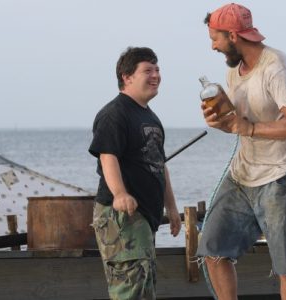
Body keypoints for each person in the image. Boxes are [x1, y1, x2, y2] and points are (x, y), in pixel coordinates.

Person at [196, 3, 286, 300]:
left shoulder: (277, 68)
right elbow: (239, 123)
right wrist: (223, 123)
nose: (213, 46)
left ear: (233, 35)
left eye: (215, 38)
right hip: (242, 174)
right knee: (212, 250)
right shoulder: (234, 73)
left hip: (278, 177)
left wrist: (246, 128)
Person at [88, 46, 181, 300]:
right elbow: (108, 155)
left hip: (144, 218)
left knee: (144, 287)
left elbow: (159, 164)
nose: (156, 75)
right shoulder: (115, 113)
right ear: (127, 77)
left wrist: (171, 208)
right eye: (148, 70)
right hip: (121, 217)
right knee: (130, 289)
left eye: (158, 69)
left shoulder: (150, 117)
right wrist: (119, 193)